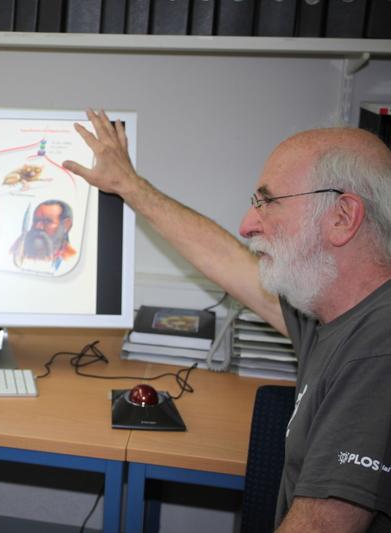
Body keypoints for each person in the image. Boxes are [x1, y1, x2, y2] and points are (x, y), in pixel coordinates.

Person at [63, 110, 391, 531]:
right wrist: (127, 184)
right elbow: (224, 259)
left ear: (342, 218)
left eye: (267, 202)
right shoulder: (333, 315)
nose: (247, 224)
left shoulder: (377, 351)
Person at [11, 199, 77, 271]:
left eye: (47, 221)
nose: (38, 226)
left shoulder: (71, 259)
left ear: (66, 225)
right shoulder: (19, 247)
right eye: (36, 220)